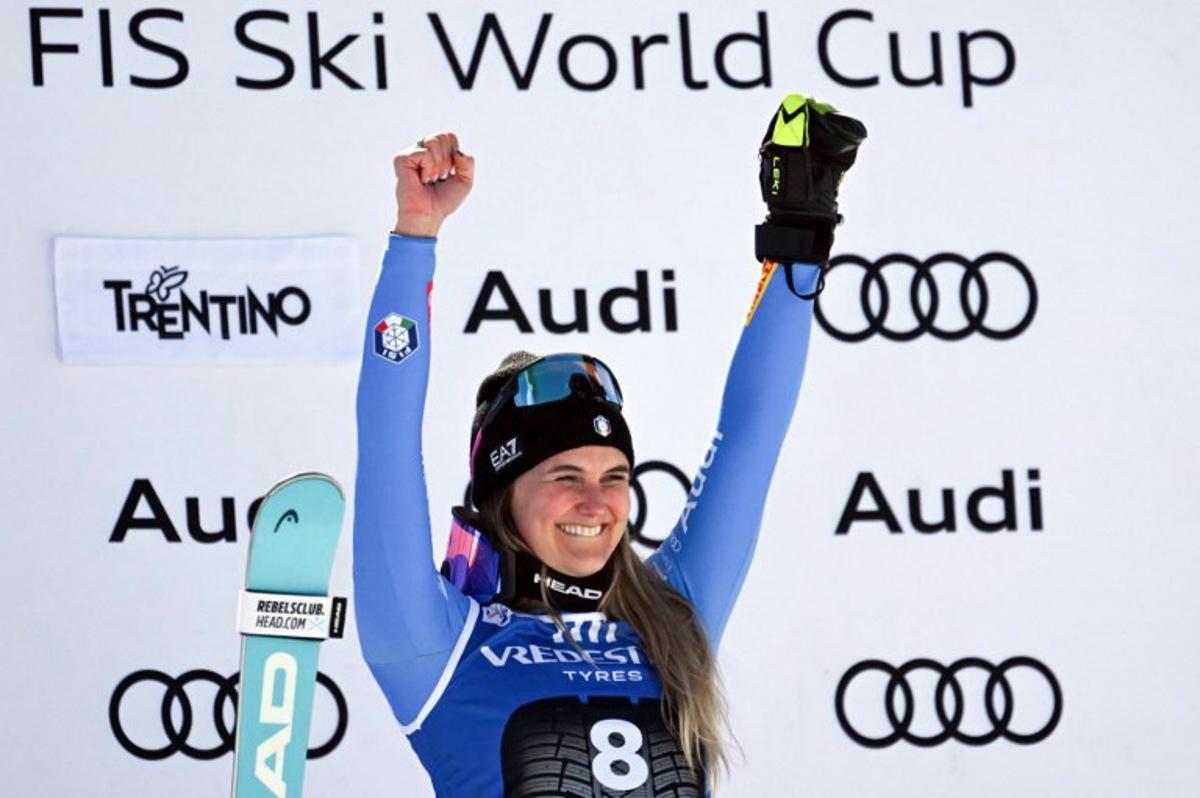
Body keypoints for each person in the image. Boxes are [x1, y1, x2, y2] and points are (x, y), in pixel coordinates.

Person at [354, 95, 866, 796]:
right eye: (566, 475)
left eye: (614, 475)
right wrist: (415, 237)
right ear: (505, 492)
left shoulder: (671, 618)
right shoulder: (435, 646)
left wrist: (799, 233)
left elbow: (752, 438)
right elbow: (386, 439)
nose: (596, 504)